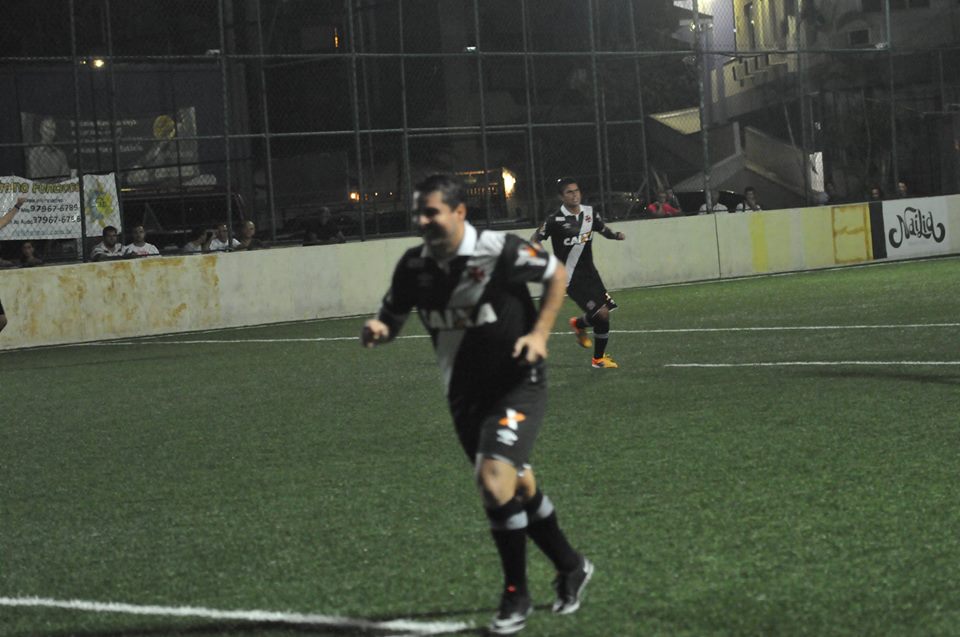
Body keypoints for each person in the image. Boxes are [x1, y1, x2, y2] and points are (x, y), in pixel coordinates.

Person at [362, 174, 593, 636]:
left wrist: (539, 335)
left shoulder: (497, 250)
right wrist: (379, 329)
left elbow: (555, 274)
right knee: (516, 485)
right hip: (464, 396)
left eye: (431, 212)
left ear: (459, 212)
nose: (422, 220)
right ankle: (572, 566)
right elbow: (392, 315)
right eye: (418, 212)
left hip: (518, 383)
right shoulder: (414, 265)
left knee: (492, 479)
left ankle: (515, 595)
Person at [531, 178, 625, 369]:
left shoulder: (589, 213)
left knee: (603, 315)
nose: (574, 195)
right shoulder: (555, 219)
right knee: (601, 313)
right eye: (569, 192)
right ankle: (598, 360)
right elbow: (535, 239)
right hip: (569, 278)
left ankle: (580, 325)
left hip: (591, 274)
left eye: (576, 191)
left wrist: (615, 236)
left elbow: (602, 229)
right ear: (561, 196)